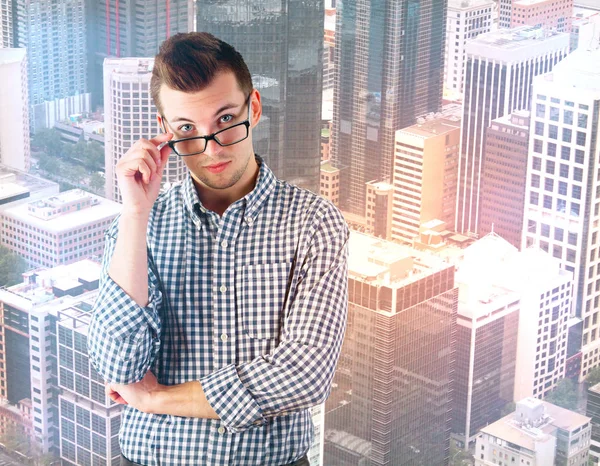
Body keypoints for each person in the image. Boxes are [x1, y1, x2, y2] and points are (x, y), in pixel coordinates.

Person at [87, 32, 349, 466]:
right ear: (165, 131)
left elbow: (305, 374)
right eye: (187, 129)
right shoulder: (139, 225)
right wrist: (135, 215)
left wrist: (158, 400)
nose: (210, 147)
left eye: (226, 119)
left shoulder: (313, 223)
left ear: (255, 108)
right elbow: (118, 367)